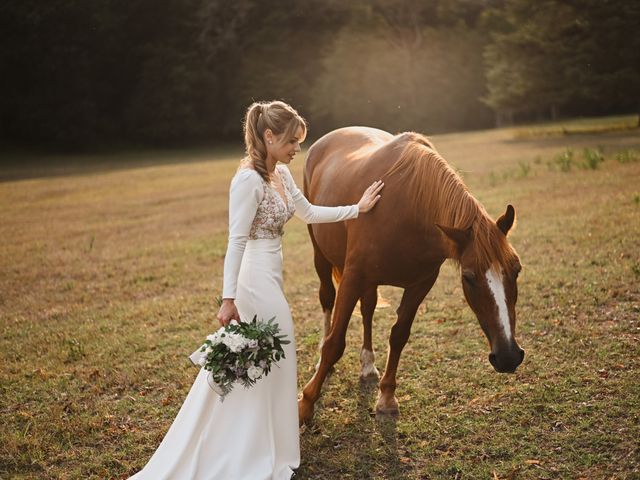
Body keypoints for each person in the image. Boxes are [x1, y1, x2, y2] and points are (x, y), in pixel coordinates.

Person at [129, 100, 383, 480]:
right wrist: (228, 299)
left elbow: (310, 212)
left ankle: (271, 442)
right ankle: (247, 446)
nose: (298, 148)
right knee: (270, 350)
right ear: (269, 136)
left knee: (268, 358)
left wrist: (356, 209)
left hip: (272, 275)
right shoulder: (247, 180)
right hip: (252, 278)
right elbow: (235, 241)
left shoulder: (281, 173)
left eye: (300, 141)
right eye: (292, 141)